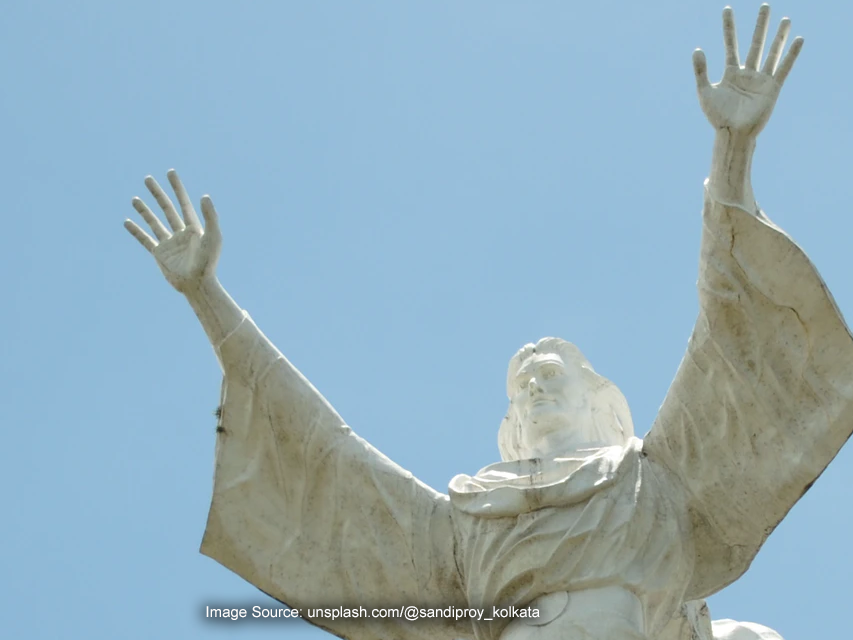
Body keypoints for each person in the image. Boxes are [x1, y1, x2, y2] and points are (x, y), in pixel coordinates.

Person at [123, 6, 836, 640]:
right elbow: (317, 448)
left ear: (598, 397)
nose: (533, 390)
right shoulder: (461, 532)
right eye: (523, 386)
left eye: (549, 376)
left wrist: (734, 149)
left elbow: (731, 317)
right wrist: (205, 295)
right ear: (513, 427)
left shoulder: (659, 481)